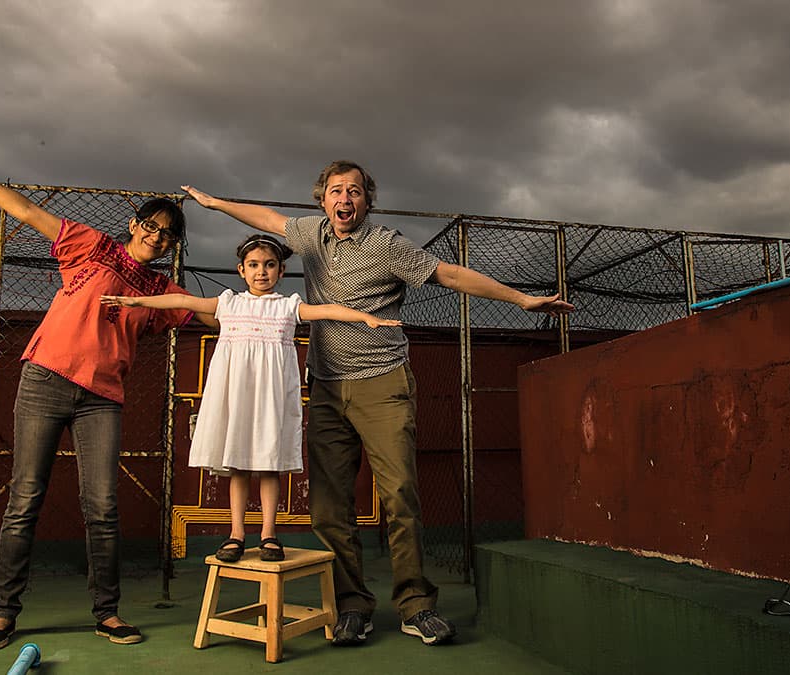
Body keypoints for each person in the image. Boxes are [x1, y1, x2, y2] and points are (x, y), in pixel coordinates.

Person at [179, 161, 575, 646]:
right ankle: (352, 607)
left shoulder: (387, 245)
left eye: (355, 192)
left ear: (367, 200)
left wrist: (520, 299)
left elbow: (448, 274)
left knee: (400, 494)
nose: (344, 199)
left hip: (382, 383)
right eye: (335, 191)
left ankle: (415, 605)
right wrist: (216, 204)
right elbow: (265, 219)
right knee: (328, 507)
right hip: (326, 387)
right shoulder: (311, 236)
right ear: (322, 200)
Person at [0, 142, 217, 652]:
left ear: (172, 245)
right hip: (45, 381)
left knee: (103, 506)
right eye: (152, 226)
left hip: (102, 399)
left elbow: (213, 316)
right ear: (135, 225)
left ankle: (107, 613)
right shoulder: (91, 246)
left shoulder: (161, 290)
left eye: (168, 234)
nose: (157, 236)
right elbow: (23, 210)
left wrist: (265, 303)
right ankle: (4, 614)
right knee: (24, 500)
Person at [100, 233, 400, 563]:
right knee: (238, 466)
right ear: (241, 270)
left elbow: (327, 309)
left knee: (270, 465)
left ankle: (269, 533)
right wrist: (137, 301)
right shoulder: (229, 303)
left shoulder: (287, 307)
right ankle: (237, 534)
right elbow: (182, 301)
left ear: (281, 271)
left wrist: (366, 317)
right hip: (236, 398)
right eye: (254, 265)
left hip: (271, 400)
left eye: (270, 265)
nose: (262, 272)